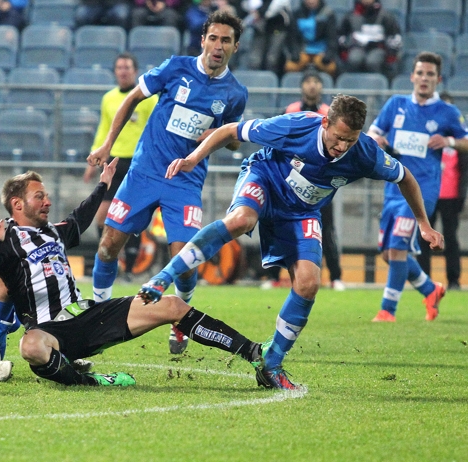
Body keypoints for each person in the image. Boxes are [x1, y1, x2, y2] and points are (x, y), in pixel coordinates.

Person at [138, 94, 444, 390]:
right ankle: (163, 278)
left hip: (302, 212)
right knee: (241, 220)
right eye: (338, 137)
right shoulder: (295, 126)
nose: (342, 146)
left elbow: (406, 177)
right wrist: (192, 159)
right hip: (264, 180)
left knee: (309, 283)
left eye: (350, 140)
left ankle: (271, 363)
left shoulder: (365, 152)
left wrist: (423, 224)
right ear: (325, 122)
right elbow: (231, 130)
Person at [0, 168, 268, 387]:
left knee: (172, 304)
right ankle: (92, 381)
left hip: (88, 315)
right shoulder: (3, 237)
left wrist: (103, 185)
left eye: (46, 195)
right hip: (49, 333)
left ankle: (253, 353)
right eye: (39, 196)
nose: (47, 201)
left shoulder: (53, 231)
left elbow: (79, 218)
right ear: (17, 204)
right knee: (29, 347)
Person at [87, 10, 247, 355]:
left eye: (226, 40)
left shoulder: (235, 94)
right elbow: (132, 98)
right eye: (213, 38)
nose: (218, 46)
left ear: (235, 46)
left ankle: (181, 320)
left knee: (185, 260)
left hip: (186, 182)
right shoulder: (176, 67)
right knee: (107, 245)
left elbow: (233, 139)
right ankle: (98, 312)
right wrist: (106, 145)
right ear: (203, 40)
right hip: (144, 173)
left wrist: (216, 135)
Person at [368, 52, 468, 322]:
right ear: (412, 76)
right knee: (389, 254)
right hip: (393, 189)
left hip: (422, 191)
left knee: (399, 247)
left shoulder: (447, 112)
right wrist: (378, 140)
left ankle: (387, 310)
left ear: (438, 79)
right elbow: (373, 134)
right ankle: (430, 289)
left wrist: (447, 142)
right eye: (420, 73)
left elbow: (466, 141)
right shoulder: (396, 105)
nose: (424, 78)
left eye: (430, 74)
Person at [83, 53, 158, 282]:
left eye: (127, 67)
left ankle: (129, 270)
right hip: (113, 161)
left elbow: (154, 130)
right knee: (102, 214)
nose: (123, 71)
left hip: (137, 163)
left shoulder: (147, 98)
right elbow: (104, 128)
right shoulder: (108, 98)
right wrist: (95, 156)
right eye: (119, 68)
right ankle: (107, 259)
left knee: (132, 216)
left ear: (135, 71)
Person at [285, 69, 344, 291]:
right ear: (302, 86)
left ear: (321, 87)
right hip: (292, 182)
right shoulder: (290, 111)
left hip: (320, 184)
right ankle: (274, 276)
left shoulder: (329, 113)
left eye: (316, 82)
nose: (312, 85)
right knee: (284, 228)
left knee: (326, 230)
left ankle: (336, 277)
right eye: (308, 81)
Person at [417, 93, 468, 291]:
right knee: (424, 238)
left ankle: (453, 280)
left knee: (451, 239)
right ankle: (424, 281)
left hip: (450, 195)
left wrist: (461, 194)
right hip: (428, 193)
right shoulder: (426, 133)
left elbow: (464, 169)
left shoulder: (459, 139)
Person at [337, 0, 402, 79]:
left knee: (373, 61)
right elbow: (341, 35)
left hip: (378, 48)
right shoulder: (350, 16)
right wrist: (343, 50)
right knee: (354, 59)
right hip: (356, 47)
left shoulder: (386, 16)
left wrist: (391, 53)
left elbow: (395, 36)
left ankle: (377, 86)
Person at [284, 0, 338, 77]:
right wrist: (295, 53)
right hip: (302, 52)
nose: (311, 1)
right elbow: (292, 37)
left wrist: (328, 55)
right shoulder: (297, 14)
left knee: (331, 68)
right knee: (290, 67)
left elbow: (332, 38)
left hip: (321, 53)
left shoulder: (328, 14)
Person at [243, 0, 292, 75]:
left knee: (272, 60)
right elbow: (249, 5)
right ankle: (254, 82)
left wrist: (259, 12)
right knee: (255, 60)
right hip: (260, 28)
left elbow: (275, 7)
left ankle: (270, 84)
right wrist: (254, 12)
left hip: (277, 28)